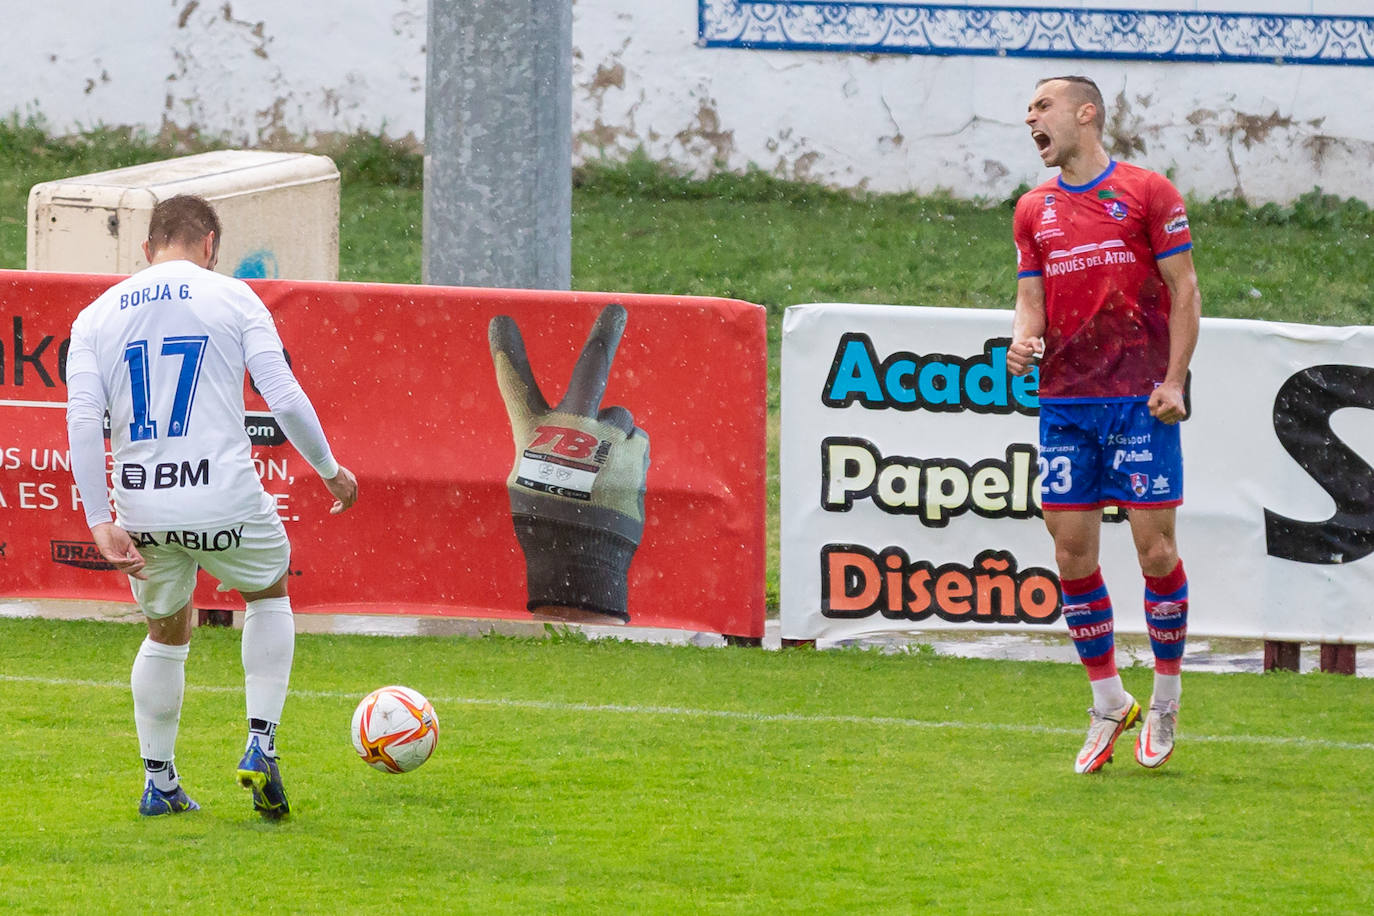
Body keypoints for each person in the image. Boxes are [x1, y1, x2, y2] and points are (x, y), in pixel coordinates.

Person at [65, 195, 358, 817]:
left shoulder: (94, 318)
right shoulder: (234, 297)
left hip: (143, 507)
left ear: (146, 249)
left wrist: (99, 520)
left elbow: (83, 424)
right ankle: (260, 743)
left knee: (166, 633)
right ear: (211, 247)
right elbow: (282, 395)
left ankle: (159, 781)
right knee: (269, 592)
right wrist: (329, 470)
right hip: (223, 495)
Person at [1006, 76, 1201, 773]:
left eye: (1041, 107)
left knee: (1155, 554)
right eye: (1028, 110)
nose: (1029, 118)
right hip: (1065, 403)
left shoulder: (1148, 193)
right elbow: (1031, 300)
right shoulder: (1033, 209)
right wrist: (1021, 340)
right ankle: (1110, 702)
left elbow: (1184, 288)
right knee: (1071, 555)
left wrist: (1174, 379)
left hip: (1137, 400)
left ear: (1085, 114)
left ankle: (1169, 696)